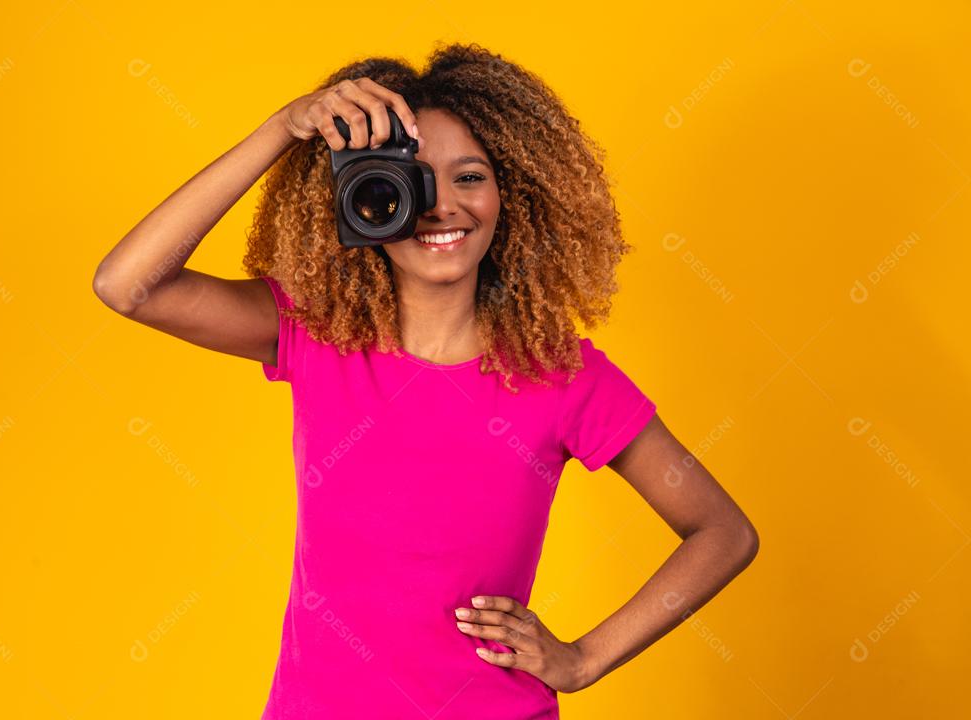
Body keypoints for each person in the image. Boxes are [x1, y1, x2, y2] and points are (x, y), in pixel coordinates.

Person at [93, 42, 759, 720]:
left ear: (512, 195)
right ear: (359, 200)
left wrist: (584, 659)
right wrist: (283, 128)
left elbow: (722, 532)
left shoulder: (563, 376)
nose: (440, 206)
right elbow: (128, 285)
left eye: (470, 176)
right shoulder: (317, 334)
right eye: (407, 181)